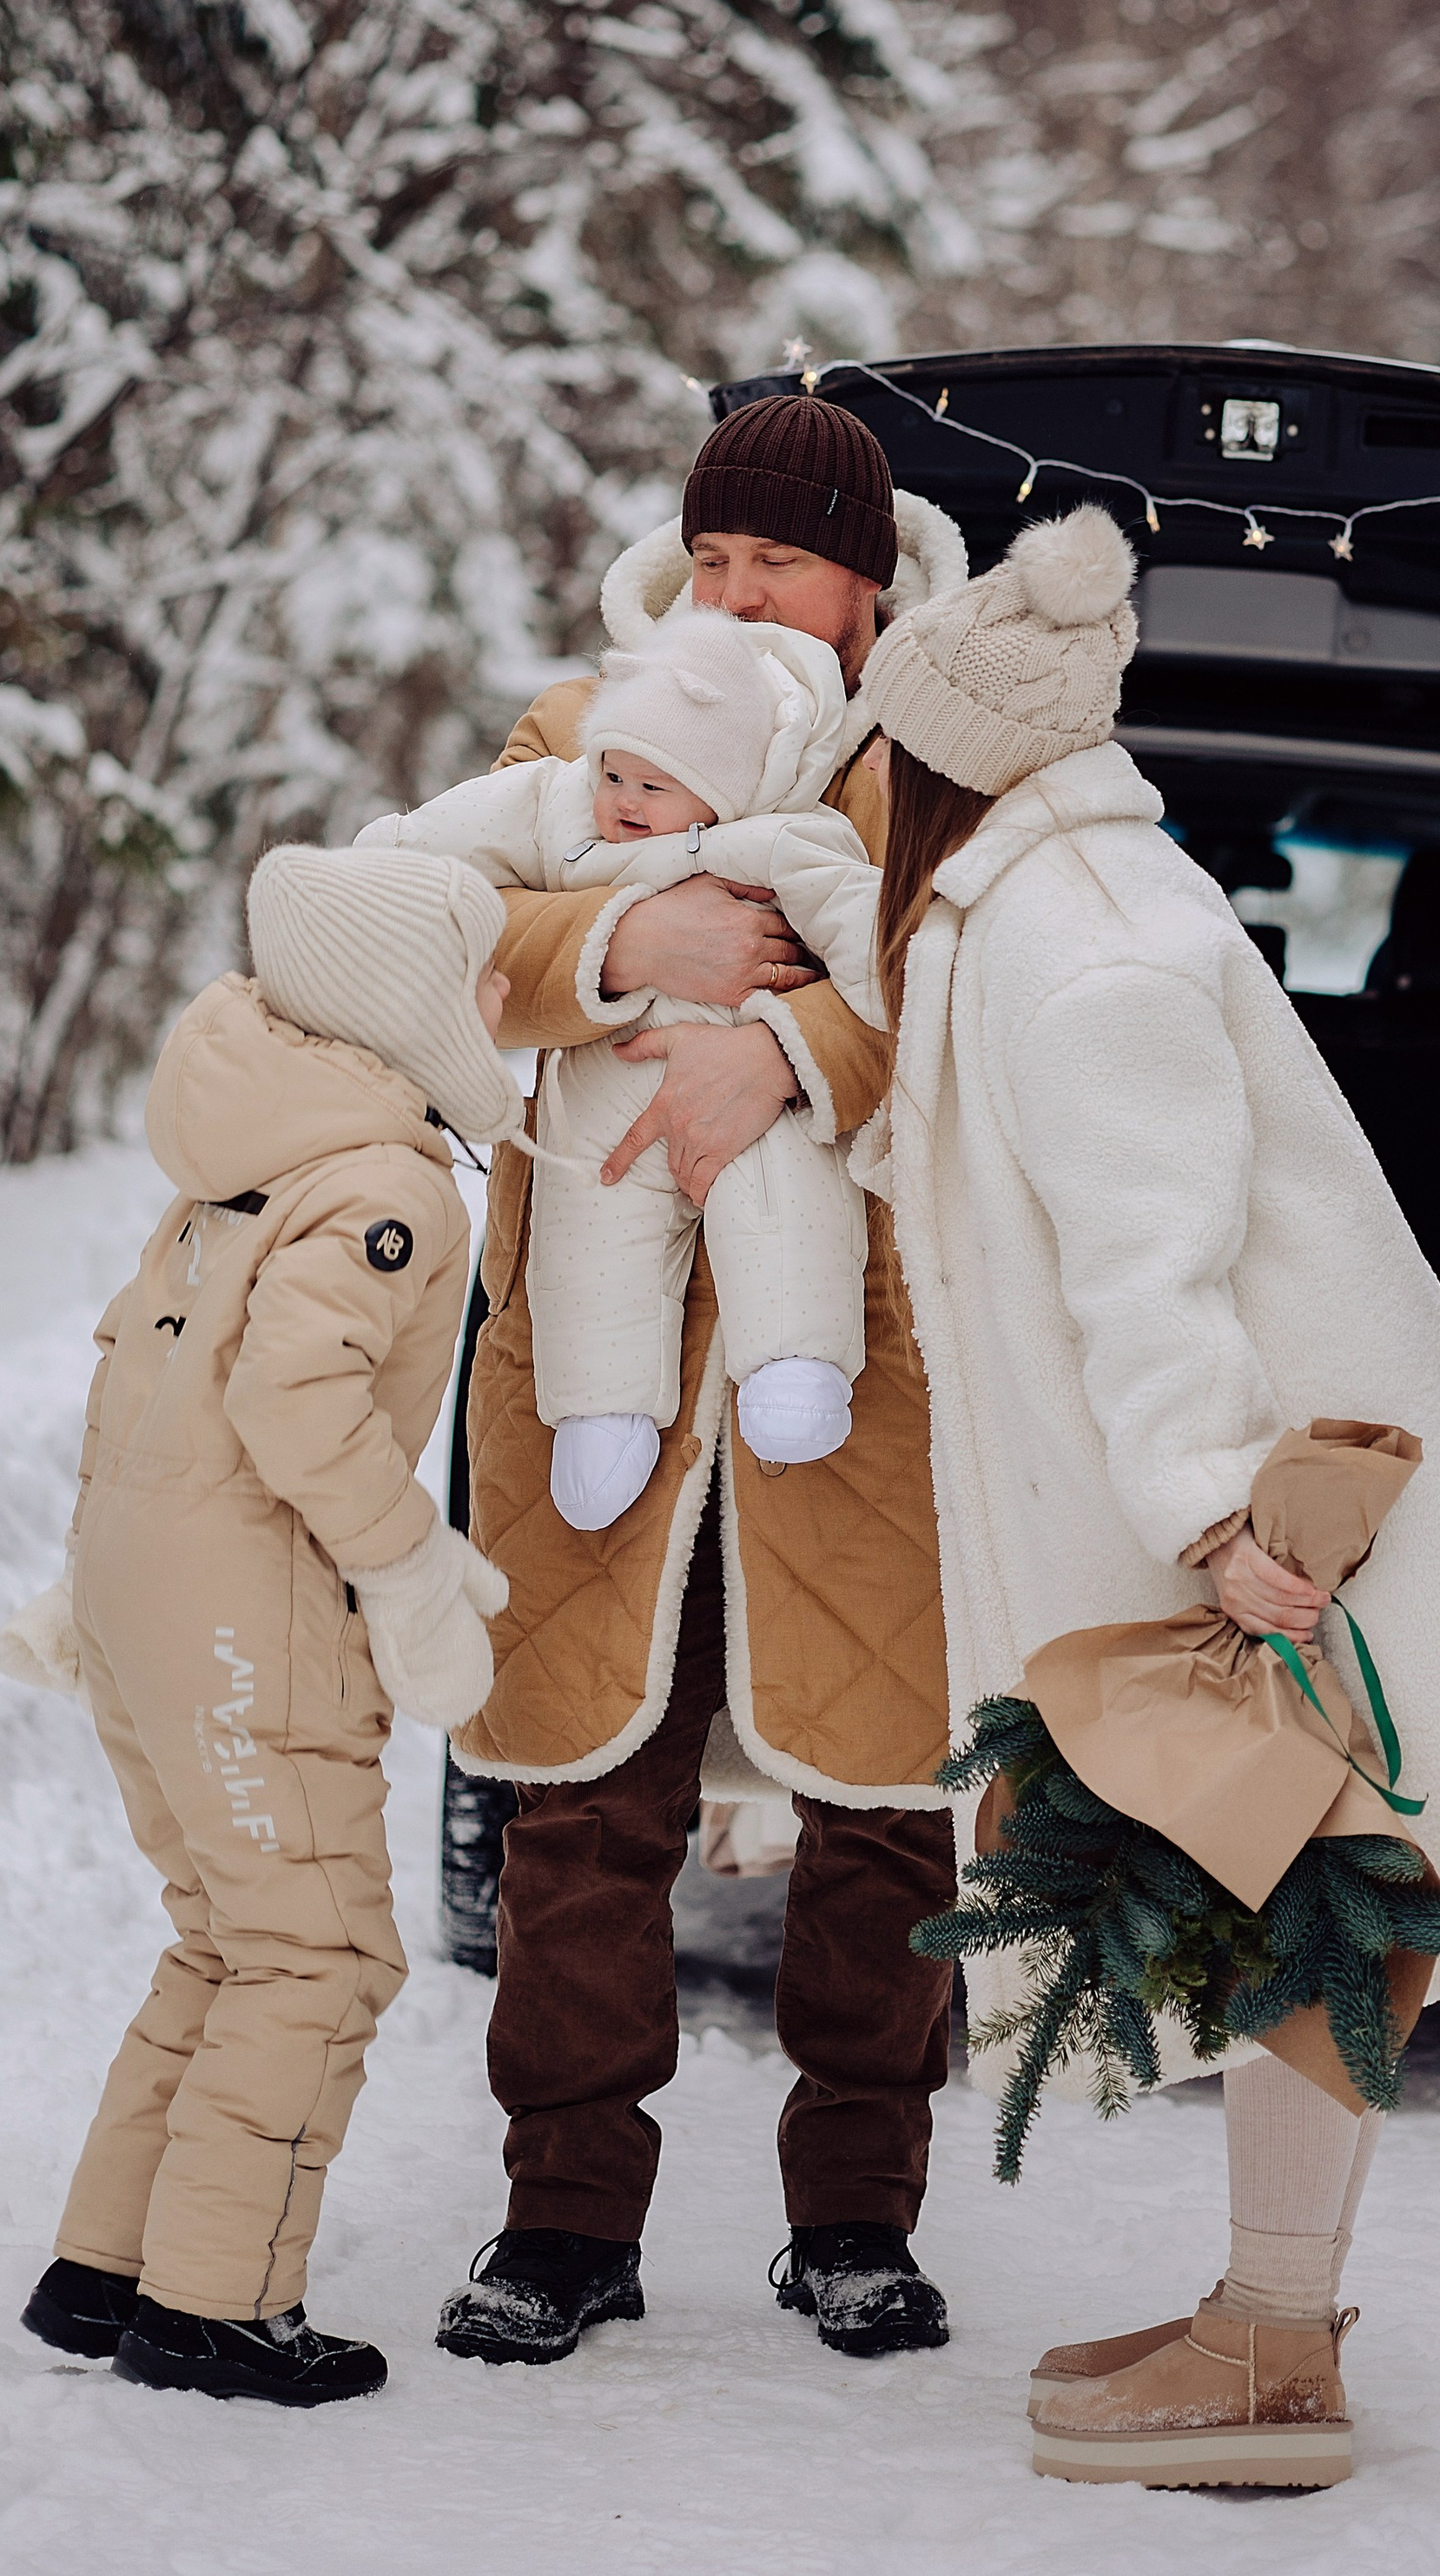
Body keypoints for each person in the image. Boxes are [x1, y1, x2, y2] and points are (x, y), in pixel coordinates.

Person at [851, 503, 1440, 2491]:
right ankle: (1264, 2321)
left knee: (1306, 1901)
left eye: (872, 743)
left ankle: (1276, 2354)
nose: (851, 778)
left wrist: (1209, 1509)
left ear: (941, 759)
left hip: (1277, 1519)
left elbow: (1148, 1254)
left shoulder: (1083, 948)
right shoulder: (1042, 906)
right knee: (1293, 1898)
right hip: (1255, 1505)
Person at [438, 390, 972, 2369]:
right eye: (718, 554)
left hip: (860, 1367)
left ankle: (853, 2209)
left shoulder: (931, 763)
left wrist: (796, 1049)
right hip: (606, 1356)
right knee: (584, 1784)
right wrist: (625, 937)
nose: (741, 589)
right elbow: (449, 927)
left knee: (880, 1791)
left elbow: (978, 992)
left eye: (783, 560)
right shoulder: (581, 729)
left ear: (862, 582)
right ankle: (562, 2216)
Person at [0, 844, 521, 2408]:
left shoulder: (242, 1159)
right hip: (255, 1609)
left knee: (224, 1937)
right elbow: (292, 1401)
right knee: (317, 1955)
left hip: (146, 1586)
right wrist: (411, 1565)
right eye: (481, 973)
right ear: (406, 1005)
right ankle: (217, 2306)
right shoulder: (385, 1187)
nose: (506, 1000)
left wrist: (93, 1585)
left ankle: (109, 2268)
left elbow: (136, 1374)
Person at [358, 602, 884, 1520]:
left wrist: (816, 1035)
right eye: (614, 775)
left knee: (785, 1204)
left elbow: (889, 946)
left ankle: (793, 1368)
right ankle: (601, 1419)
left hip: (758, 1089)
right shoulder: (565, 796)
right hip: (602, 1094)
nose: (626, 803)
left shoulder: (777, 834)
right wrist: (614, 938)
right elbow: (440, 870)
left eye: (656, 784)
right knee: (588, 1242)